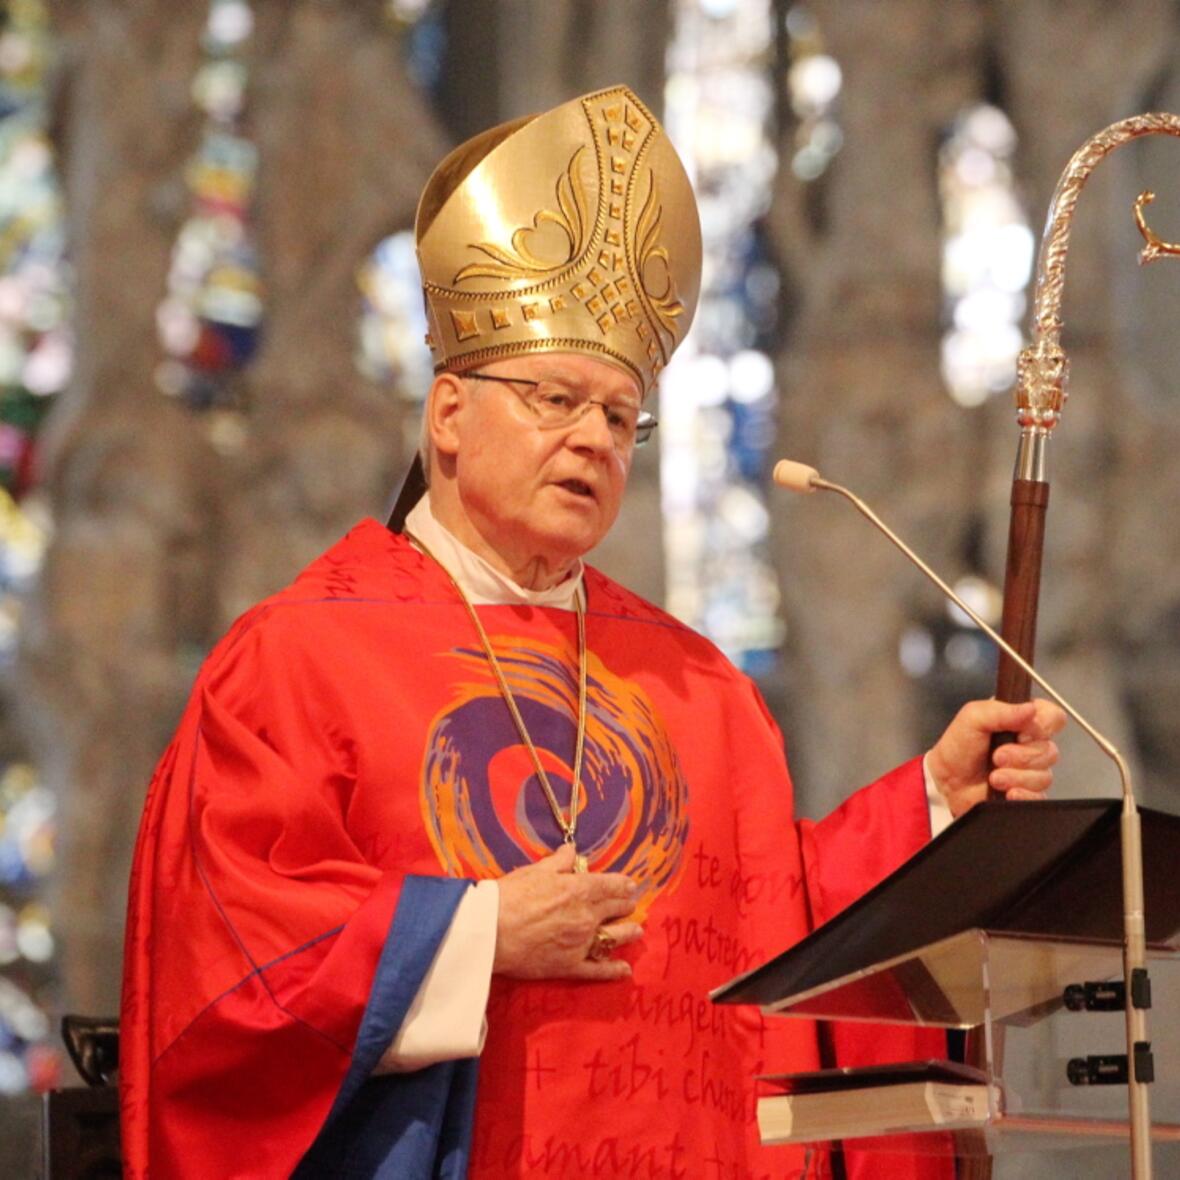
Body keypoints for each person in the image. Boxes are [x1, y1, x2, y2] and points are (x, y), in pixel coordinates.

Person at [119, 85, 1064, 1180]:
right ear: (447, 415)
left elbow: (772, 925)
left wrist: (934, 804)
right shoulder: (298, 658)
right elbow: (229, 956)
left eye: (620, 416)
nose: (592, 440)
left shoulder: (696, 684)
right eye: (553, 398)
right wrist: (476, 936)